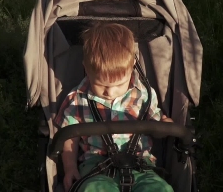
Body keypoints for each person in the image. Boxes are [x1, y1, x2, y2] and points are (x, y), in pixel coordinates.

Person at [55, 23, 173, 192]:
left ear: (133, 65)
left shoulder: (143, 95)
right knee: (93, 189)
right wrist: (70, 167)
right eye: (100, 84)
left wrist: (165, 124)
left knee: (160, 188)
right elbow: (69, 137)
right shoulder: (77, 99)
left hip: (140, 163)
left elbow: (156, 122)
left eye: (119, 84)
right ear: (86, 68)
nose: (109, 92)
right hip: (96, 166)